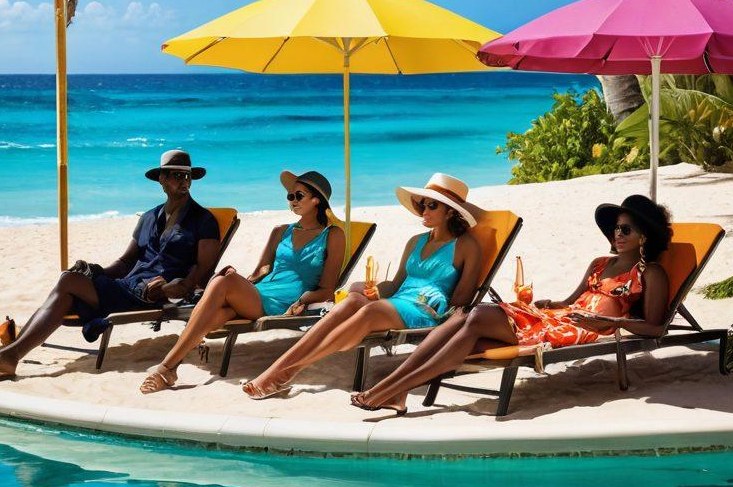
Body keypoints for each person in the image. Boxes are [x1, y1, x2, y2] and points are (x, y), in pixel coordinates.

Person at [350, 193, 672, 416]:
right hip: (556, 317)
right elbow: (570, 301)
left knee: (471, 318)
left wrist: (614, 325)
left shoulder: (650, 274)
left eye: (626, 229)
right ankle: (394, 390)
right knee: (461, 321)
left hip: (575, 331)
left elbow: (657, 327)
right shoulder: (600, 262)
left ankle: (394, 390)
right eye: (616, 227)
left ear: (644, 236)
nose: (617, 233)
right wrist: (550, 302)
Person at [0, 149, 221, 377]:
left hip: (155, 293)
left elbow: (204, 268)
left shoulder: (202, 219)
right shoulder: (150, 217)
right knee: (70, 285)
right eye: (176, 174)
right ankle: (10, 355)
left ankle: (9, 353)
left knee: (67, 282)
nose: (183, 180)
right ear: (161, 180)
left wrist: (183, 287)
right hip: (127, 287)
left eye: (187, 175)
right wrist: (96, 274)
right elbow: (126, 261)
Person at [242, 173, 484, 401]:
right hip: (398, 302)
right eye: (422, 204)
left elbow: (463, 298)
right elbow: (396, 284)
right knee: (353, 301)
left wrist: (441, 316)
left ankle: (282, 374)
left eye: (432, 206)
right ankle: (279, 371)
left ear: (451, 212)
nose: (423, 210)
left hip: (425, 309)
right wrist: (372, 289)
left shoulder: (466, 246)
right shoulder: (416, 241)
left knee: (369, 311)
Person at [139, 169, 345, 393]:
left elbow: (327, 288)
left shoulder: (333, 235)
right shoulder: (280, 231)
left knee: (220, 284)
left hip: (284, 301)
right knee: (221, 310)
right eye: (290, 196)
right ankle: (168, 368)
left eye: (298, 196)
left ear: (316, 200)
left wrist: (305, 300)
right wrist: (244, 280)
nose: (292, 201)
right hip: (260, 292)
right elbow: (262, 269)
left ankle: (165, 368)